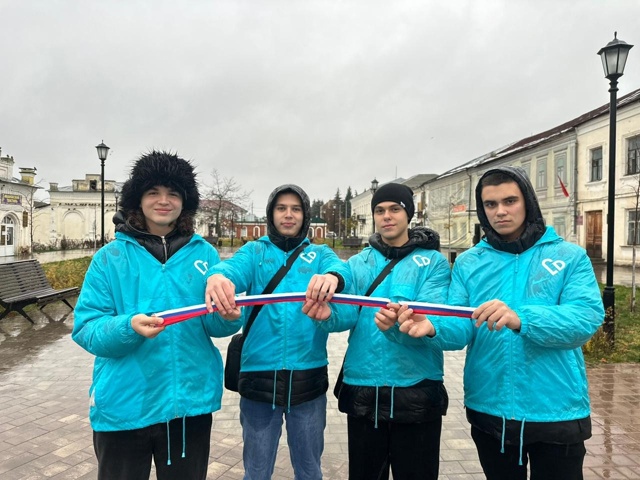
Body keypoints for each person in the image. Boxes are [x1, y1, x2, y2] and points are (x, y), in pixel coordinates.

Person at [397, 166, 604, 480]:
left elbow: (584, 318)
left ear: (528, 202)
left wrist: (522, 318)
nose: (500, 211)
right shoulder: (469, 262)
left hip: (557, 407)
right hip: (491, 407)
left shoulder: (569, 257)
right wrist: (433, 327)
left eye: (510, 201)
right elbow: (460, 325)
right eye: (490, 204)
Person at [72, 151, 241, 480]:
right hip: (124, 405)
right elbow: (87, 328)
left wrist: (229, 316)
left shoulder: (204, 254)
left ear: (185, 201)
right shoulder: (110, 258)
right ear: (138, 199)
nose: (164, 201)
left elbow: (212, 324)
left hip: (188, 406)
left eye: (173, 193)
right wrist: (128, 327)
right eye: (153, 192)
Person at [304, 183, 451, 480]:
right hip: (364, 388)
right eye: (380, 210)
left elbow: (437, 317)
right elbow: (349, 312)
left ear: (408, 214)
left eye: (395, 209)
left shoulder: (433, 262)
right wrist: (328, 316)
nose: (387, 216)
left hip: (416, 389)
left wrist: (407, 324)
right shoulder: (359, 262)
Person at [204, 184, 350, 480]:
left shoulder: (319, 254)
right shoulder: (254, 252)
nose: (288, 215)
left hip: (308, 378)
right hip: (259, 377)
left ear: (305, 215)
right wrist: (217, 277)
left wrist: (333, 277)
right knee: (256, 471)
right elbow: (230, 271)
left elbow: (341, 269)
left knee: (310, 470)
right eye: (281, 208)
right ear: (271, 214)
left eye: (296, 209)